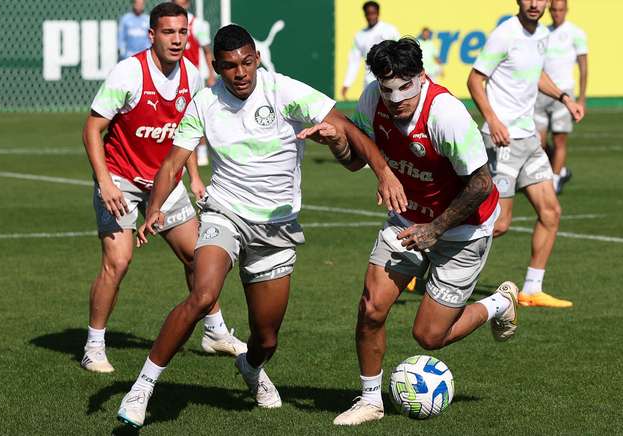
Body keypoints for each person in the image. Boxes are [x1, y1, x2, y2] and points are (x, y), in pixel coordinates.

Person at [116, 24, 407, 429]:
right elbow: (171, 163)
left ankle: (251, 367)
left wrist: (383, 173)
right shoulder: (204, 102)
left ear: (257, 59)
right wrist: (154, 209)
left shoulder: (284, 91)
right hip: (224, 213)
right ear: (216, 67)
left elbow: (349, 129)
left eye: (248, 62)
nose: (241, 73)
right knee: (202, 295)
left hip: (276, 227)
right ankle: (141, 390)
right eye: (231, 66)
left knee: (266, 338)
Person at [330, 38, 517, 426]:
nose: (396, 97)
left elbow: (481, 184)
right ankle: (370, 401)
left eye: (405, 87)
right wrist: (337, 143)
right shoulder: (372, 99)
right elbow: (354, 162)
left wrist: (435, 229)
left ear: (422, 77)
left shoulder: (445, 114)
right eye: (387, 88)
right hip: (406, 220)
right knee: (371, 307)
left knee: (430, 337)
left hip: (464, 228)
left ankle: (499, 303)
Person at [81, 3, 246, 375]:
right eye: (168, 32)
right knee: (118, 261)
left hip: (164, 180)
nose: (176, 39)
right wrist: (106, 182)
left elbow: (182, 134)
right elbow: (92, 129)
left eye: (182, 32)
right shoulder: (128, 73)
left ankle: (215, 332)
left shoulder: (191, 74)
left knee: (197, 256)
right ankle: (93, 345)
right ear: (152, 35)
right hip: (120, 177)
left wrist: (194, 176)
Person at [467, 0, 584, 308]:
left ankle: (532, 288)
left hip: (529, 140)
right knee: (500, 223)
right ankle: (430, 248)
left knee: (551, 212)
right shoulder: (505, 34)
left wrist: (564, 97)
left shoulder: (542, 34)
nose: (534, 3)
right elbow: (474, 79)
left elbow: (538, 75)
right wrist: (492, 119)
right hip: (501, 144)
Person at [534, 0, 587, 193]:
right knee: (538, 142)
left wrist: (581, 98)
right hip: (541, 93)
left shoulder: (576, 33)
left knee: (559, 140)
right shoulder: (542, 32)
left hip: (564, 93)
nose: (557, 14)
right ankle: (560, 169)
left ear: (566, 10)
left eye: (560, 10)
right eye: (554, 10)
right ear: (549, 11)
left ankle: (555, 181)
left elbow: (583, 66)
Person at [173, 0, 216, 166]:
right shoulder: (170, 23)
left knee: (197, 114)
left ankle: (202, 151)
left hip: (193, 77)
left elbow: (207, 51)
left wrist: (211, 74)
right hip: (174, 76)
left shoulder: (198, 25)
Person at [341, 1, 399, 100]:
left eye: (373, 13)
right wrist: (347, 83)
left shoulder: (389, 30)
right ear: (365, 14)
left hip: (390, 78)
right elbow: (354, 61)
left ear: (378, 13)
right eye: (368, 13)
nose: (371, 16)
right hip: (370, 81)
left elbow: (399, 52)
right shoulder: (359, 35)